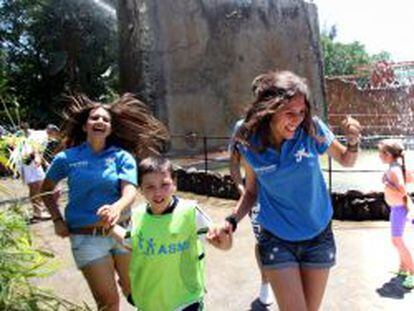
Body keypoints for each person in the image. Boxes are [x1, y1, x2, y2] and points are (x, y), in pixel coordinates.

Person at [218, 70, 361, 311]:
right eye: (289, 113)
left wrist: (354, 141)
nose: (297, 119)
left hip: (318, 234)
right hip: (276, 236)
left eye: (302, 112)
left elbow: (347, 160)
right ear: (270, 109)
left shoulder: (311, 129)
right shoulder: (248, 138)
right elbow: (251, 192)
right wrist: (231, 221)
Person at [41, 93, 169, 311]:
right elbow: (45, 190)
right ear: (85, 126)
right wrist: (56, 219)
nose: (100, 122)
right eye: (94, 118)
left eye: (105, 120)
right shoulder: (67, 158)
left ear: (110, 129)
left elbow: (129, 190)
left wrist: (116, 208)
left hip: (122, 233)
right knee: (108, 303)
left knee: (137, 291)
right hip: (86, 238)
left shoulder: (121, 157)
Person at [99, 156, 232, 311]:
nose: (158, 192)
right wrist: (110, 227)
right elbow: (132, 242)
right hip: (149, 301)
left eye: (164, 185)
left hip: (186, 300)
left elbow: (221, 242)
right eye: (150, 187)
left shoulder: (189, 212)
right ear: (140, 189)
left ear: (174, 184)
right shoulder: (138, 215)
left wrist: (225, 240)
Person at [228, 118, 274, 307]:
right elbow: (234, 162)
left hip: (280, 195)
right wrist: (242, 191)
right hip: (254, 196)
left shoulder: (281, 120)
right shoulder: (242, 126)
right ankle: (265, 281)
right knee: (262, 241)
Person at [378, 139, 414, 289]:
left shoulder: (394, 169)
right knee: (397, 240)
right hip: (397, 208)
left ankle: (412, 273)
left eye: (380, 153)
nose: (379, 156)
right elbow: (409, 178)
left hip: (399, 208)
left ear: (387, 154)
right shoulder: (396, 167)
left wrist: (387, 184)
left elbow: (402, 190)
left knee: (396, 240)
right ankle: (403, 269)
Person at [19, 122, 50, 220]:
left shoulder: (37, 133)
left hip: (27, 160)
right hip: (30, 161)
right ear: (53, 131)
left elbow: (37, 149)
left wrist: (44, 162)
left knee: (36, 185)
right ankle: (38, 212)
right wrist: (37, 157)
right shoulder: (44, 135)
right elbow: (35, 147)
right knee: (38, 185)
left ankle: (38, 211)